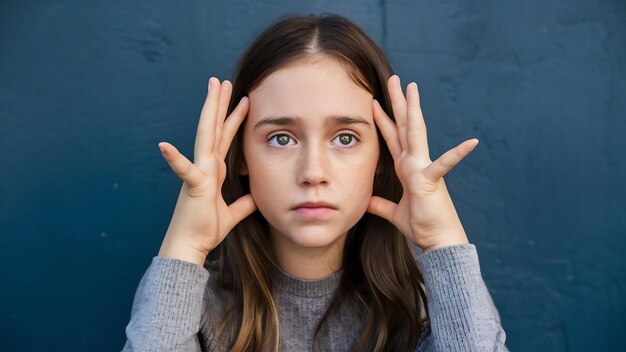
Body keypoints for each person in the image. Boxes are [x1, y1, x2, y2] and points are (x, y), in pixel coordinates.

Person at [122, 13, 508, 352]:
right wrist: (184, 246)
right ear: (239, 157)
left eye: (345, 138)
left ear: (383, 156)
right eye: (281, 138)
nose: (313, 173)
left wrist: (443, 240)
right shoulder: (191, 302)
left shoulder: (429, 303)